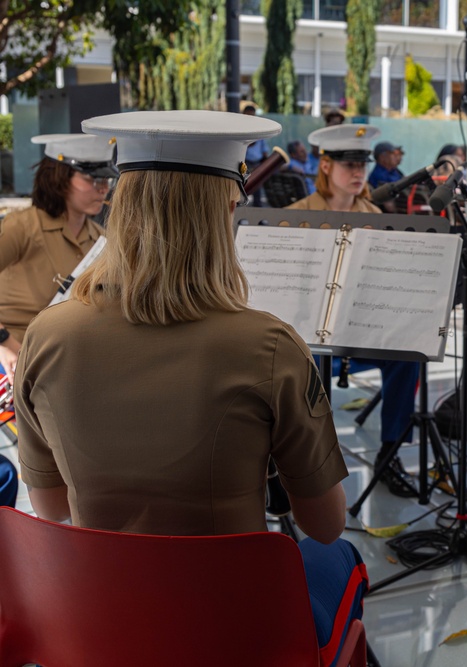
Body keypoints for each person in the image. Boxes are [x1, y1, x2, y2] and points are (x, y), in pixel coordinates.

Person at [14, 109, 367, 666]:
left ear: (121, 205)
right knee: (343, 556)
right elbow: (324, 525)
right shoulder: (270, 346)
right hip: (228, 632)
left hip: (97, 621)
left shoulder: (45, 335)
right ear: (226, 209)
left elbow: (50, 505)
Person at [288, 124, 421, 497]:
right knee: (303, 362)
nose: (359, 172)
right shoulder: (294, 215)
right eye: (349, 164)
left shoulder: (375, 214)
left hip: (358, 330)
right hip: (306, 333)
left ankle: (391, 451)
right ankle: (300, 459)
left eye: (362, 163)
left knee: (407, 356)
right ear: (326, 166)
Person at [0, 134, 116, 377]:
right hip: (12, 367)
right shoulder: (20, 227)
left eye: (105, 178)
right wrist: (4, 344)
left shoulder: (102, 239)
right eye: (91, 178)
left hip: (68, 367)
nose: (103, 188)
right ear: (59, 178)